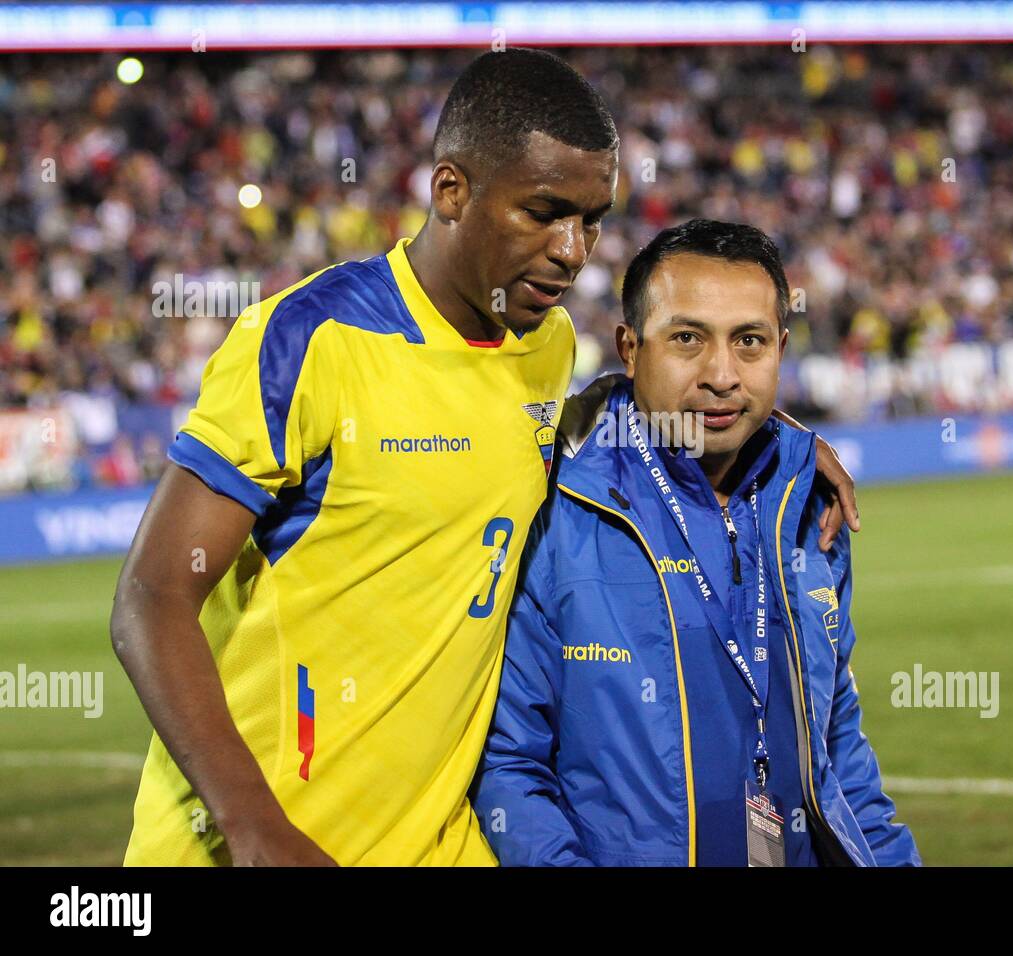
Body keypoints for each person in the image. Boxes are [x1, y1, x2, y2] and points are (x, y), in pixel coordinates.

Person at [112, 51, 858, 866]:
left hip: (443, 843)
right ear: (451, 192)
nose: (574, 250)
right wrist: (252, 826)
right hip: (266, 842)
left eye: (592, 218)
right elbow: (151, 597)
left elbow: (622, 404)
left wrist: (771, 437)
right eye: (543, 212)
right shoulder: (311, 342)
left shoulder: (546, 342)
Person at [471, 219, 920, 866]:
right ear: (630, 348)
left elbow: (837, 752)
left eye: (750, 343)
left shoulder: (808, 507)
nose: (721, 374)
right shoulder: (548, 507)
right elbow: (508, 766)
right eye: (687, 339)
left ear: (781, 349)